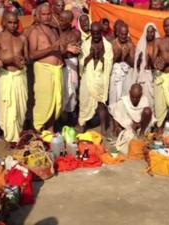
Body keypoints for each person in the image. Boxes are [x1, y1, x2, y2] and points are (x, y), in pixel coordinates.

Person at [28, 3, 79, 132]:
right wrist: (51, 48)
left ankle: (50, 131)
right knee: (44, 102)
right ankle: (37, 131)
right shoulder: (35, 31)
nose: (46, 17)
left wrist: (67, 48)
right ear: (38, 16)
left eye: (48, 14)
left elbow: (58, 48)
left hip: (57, 70)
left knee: (56, 102)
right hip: (44, 70)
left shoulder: (54, 29)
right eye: (43, 14)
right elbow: (32, 54)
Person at [0, 12, 28, 144]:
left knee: (20, 107)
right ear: (4, 23)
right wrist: (7, 61)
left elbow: (27, 58)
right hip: (6, 77)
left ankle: (18, 135)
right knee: (7, 108)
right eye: (10, 22)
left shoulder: (22, 38)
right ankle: (9, 138)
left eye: (15, 22)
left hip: (20, 77)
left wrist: (23, 61)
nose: (13, 25)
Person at [77, 22, 113, 135]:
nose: (96, 35)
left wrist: (101, 58)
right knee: (84, 102)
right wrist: (90, 56)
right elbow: (81, 63)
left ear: (101, 32)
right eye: (94, 33)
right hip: (88, 78)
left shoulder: (107, 46)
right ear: (91, 33)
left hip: (101, 77)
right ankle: (82, 125)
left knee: (101, 104)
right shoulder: (85, 45)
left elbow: (109, 62)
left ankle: (103, 128)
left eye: (98, 33)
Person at [59, 10, 81, 120]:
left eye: (63, 20)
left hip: (72, 63)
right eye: (60, 19)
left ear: (69, 21)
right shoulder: (56, 32)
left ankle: (71, 113)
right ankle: (61, 116)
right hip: (61, 64)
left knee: (73, 89)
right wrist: (66, 49)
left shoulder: (76, 33)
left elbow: (77, 49)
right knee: (62, 90)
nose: (60, 22)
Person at [133, 23, 160, 109]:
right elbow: (136, 64)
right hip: (144, 76)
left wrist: (152, 60)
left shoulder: (159, 45)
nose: (150, 34)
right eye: (148, 32)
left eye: (152, 31)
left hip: (154, 76)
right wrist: (138, 62)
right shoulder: (141, 45)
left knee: (155, 102)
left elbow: (159, 63)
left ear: (155, 32)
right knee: (144, 102)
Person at [109, 23, 135, 105]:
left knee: (125, 97)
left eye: (125, 34)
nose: (123, 36)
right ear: (117, 33)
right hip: (115, 75)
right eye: (121, 34)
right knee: (114, 97)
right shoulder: (112, 44)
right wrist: (116, 58)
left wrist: (127, 58)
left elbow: (133, 63)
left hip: (126, 76)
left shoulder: (130, 45)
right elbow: (108, 63)